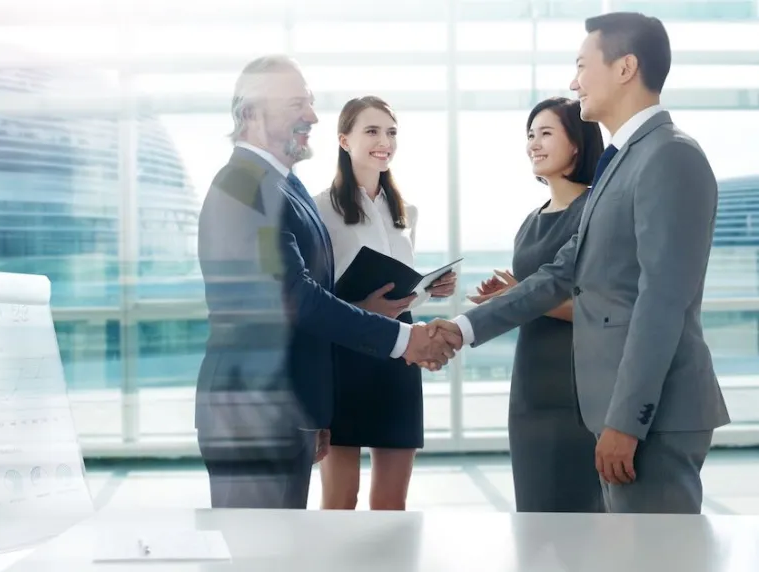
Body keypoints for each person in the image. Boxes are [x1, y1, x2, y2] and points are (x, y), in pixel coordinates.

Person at [428, 12, 730, 514]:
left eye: (582, 66)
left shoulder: (669, 156)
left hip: (652, 419)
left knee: (655, 552)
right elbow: (558, 275)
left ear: (625, 68)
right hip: (615, 412)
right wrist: (461, 328)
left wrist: (626, 422)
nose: (574, 82)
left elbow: (662, 302)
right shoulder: (621, 163)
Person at [194, 55, 459, 510]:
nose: (313, 117)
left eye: (311, 102)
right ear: (252, 112)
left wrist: (314, 410)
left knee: (286, 542)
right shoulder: (243, 186)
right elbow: (293, 295)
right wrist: (403, 339)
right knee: (259, 544)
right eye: (297, 104)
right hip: (253, 414)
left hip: (287, 408)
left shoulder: (285, 186)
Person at [314, 96, 456, 511]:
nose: (385, 142)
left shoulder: (406, 211)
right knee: (341, 498)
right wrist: (362, 306)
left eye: (391, 132)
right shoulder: (320, 208)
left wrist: (430, 289)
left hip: (398, 354)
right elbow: (312, 293)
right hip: (346, 354)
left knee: (392, 503)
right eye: (372, 131)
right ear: (344, 140)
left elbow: (400, 290)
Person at [468, 96, 605, 513]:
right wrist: (510, 295)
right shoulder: (532, 219)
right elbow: (531, 293)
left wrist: (520, 296)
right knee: (533, 514)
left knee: (579, 517)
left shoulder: (595, 210)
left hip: (579, 387)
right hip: (530, 387)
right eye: (530, 135)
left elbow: (599, 309)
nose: (534, 144)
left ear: (576, 144)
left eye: (546, 133)